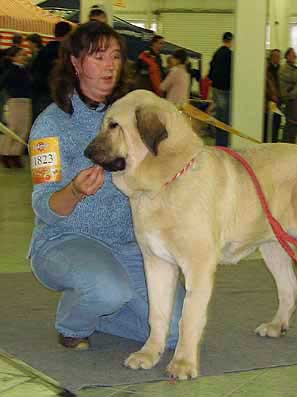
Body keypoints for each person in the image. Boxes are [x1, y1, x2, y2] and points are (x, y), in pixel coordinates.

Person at [28, 22, 185, 350]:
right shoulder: (49, 125)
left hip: (128, 242)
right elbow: (43, 205)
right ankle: (73, 322)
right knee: (108, 290)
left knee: (174, 334)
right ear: (75, 62)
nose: (110, 65)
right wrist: (73, 191)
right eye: (98, 57)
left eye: (115, 56)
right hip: (64, 240)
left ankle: (106, 305)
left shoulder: (134, 117)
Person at [31, 20, 72, 121]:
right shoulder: (69, 54)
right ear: (69, 34)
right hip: (62, 97)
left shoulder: (43, 52)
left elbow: (33, 74)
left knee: (42, 130)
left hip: (41, 96)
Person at [0, 46, 32, 168]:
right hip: (15, 101)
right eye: (21, 54)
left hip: (26, 101)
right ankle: (6, 154)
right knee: (13, 129)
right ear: (14, 57)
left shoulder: (25, 70)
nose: (25, 57)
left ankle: (15, 154)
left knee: (23, 130)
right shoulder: (11, 70)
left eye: (25, 54)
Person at [208, 31, 233, 147]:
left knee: (219, 117)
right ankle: (223, 144)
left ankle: (219, 142)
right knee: (225, 119)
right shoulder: (230, 55)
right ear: (231, 41)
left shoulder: (217, 53)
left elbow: (211, 70)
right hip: (226, 89)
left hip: (216, 88)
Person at [264, 49, 281, 143]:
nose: (277, 58)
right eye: (275, 56)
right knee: (268, 126)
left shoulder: (280, 69)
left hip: (277, 102)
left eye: (279, 56)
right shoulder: (267, 69)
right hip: (268, 103)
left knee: (276, 124)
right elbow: (265, 85)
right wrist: (271, 95)